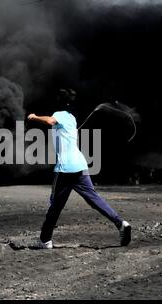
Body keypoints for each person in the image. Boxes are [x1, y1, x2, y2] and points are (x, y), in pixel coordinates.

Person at [27, 88, 131, 249]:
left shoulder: (59, 114)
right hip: (80, 166)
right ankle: (120, 223)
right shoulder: (72, 119)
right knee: (95, 199)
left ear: (60, 102)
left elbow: (50, 121)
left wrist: (34, 117)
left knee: (55, 205)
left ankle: (45, 241)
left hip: (65, 169)